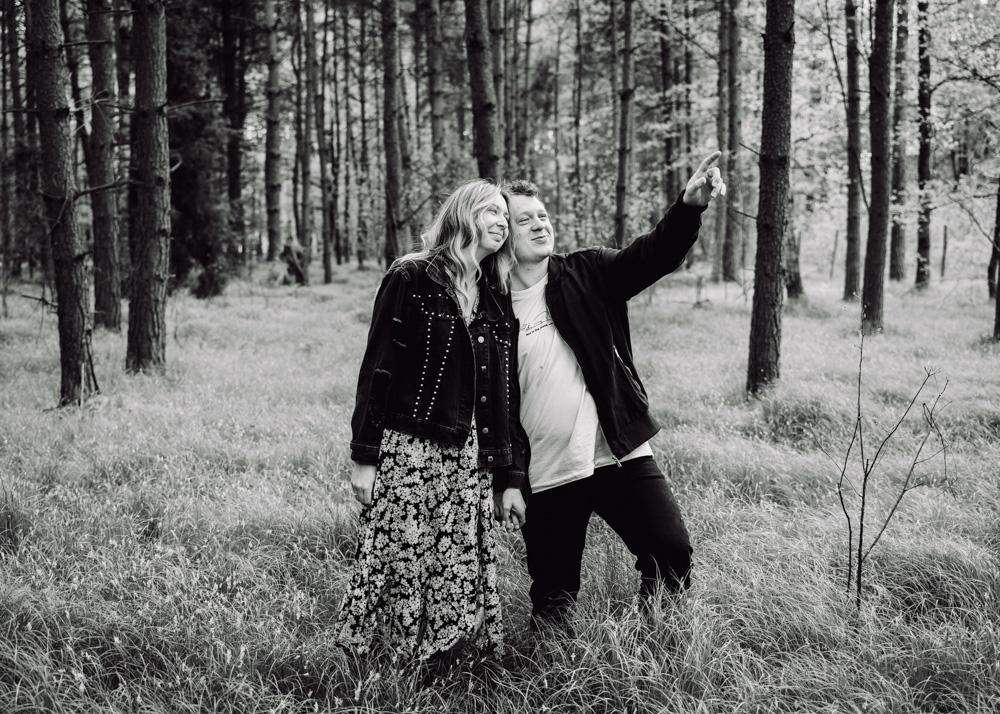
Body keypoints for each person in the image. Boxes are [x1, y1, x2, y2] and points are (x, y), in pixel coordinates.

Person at [496, 152, 726, 628]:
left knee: (670, 551)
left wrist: (688, 208)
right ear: (502, 234)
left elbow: (653, 255)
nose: (540, 225)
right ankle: (552, 666)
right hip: (547, 467)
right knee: (554, 595)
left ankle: (658, 641)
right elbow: (492, 406)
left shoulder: (588, 271)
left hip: (616, 451)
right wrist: (508, 478)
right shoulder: (490, 309)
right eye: (524, 220)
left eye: (543, 216)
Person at [337, 179, 528, 661]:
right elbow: (378, 368)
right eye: (492, 211)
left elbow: (505, 394)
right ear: (464, 214)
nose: (503, 222)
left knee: (456, 559)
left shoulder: (496, 293)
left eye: (506, 216)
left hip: (470, 455)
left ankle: (444, 658)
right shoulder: (411, 275)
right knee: (401, 553)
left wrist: (509, 475)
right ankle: (389, 659)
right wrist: (365, 457)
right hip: (411, 448)